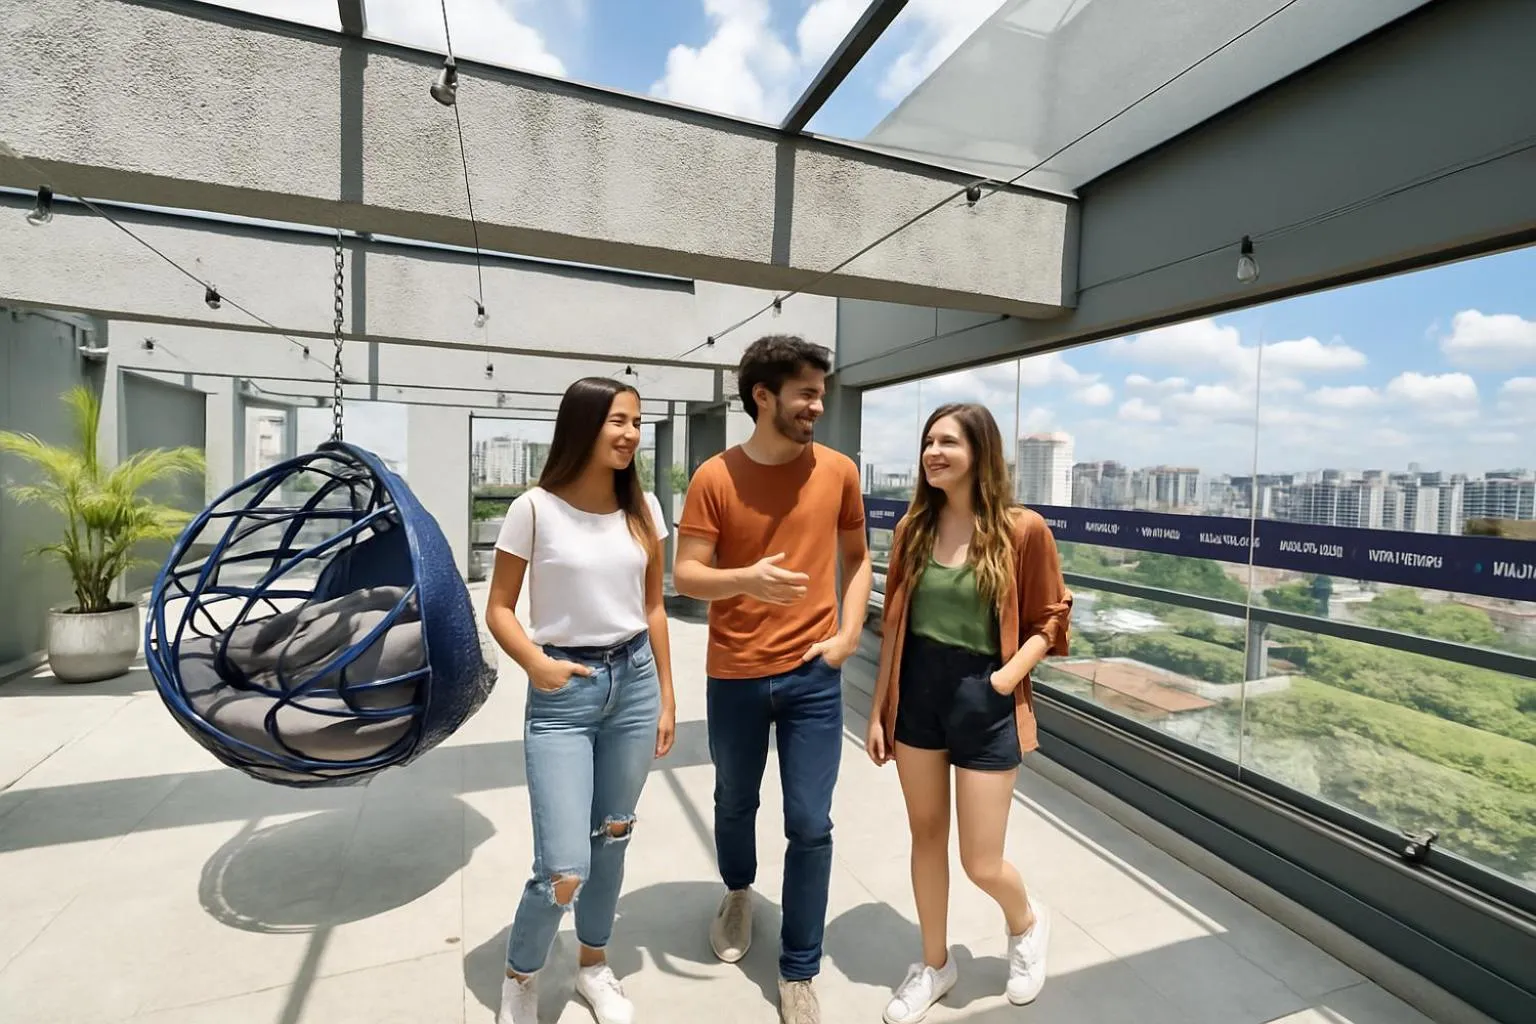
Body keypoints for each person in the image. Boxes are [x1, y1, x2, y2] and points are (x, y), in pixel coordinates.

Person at [673, 335, 873, 1024]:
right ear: (764, 396)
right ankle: (737, 891)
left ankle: (798, 970)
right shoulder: (715, 477)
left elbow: (859, 558)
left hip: (814, 675)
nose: (818, 404)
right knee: (735, 800)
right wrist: (747, 579)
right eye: (807, 393)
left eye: (821, 391)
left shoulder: (839, 471)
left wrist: (847, 635)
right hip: (734, 673)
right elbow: (687, 574)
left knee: (811, 822)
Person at [866, 402, 1071, 1024]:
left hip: (985, 699)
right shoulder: (913, 530)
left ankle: (1027, 922)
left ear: (979, 452)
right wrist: (878, 712)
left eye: (948, 442)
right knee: (925, 836)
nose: (934, 452)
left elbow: (1052, 617)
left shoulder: (1022, 529)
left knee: (980, 859)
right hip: (918, 694)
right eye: (928, 441)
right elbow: (894, 626)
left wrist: (1006, 677)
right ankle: (934, 963)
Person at [485, 376, 676, 1024]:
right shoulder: (533, 509)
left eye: (636, 422)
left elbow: (652, 607)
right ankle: (521, 975)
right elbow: (500, 608)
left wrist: (668, 699)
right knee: (563, 865)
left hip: (636, 684)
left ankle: (594, 965)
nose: (629, 434)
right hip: (565, 695)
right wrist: (536, 663)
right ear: (583, 426)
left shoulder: (644, 507)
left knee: (613, 836)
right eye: (617, 420)